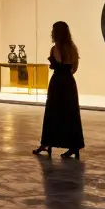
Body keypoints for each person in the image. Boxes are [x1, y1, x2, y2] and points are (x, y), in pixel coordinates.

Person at [34, 21, 85, 159]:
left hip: (57, 83)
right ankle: (73, 146)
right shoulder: (72, 48)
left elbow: (54, 65)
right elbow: (74, 68)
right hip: (69, 83)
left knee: (52, 112)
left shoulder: (55, 48)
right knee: (70, 114)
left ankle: (46, 143)